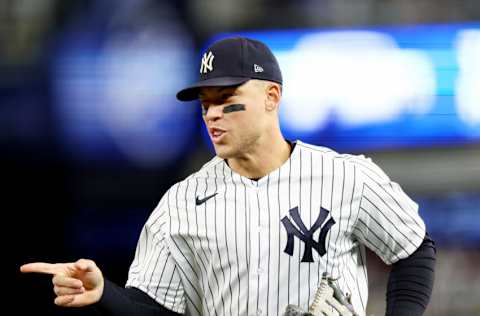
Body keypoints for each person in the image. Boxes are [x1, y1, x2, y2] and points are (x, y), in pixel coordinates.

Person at [21, 37, 436, 316]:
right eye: (205, 104)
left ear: (272, 96)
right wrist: (104, 293)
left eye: (226, 99)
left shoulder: (345, 176)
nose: (212, 114)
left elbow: (413, 251)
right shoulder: (182, 203)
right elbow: (156, 307)